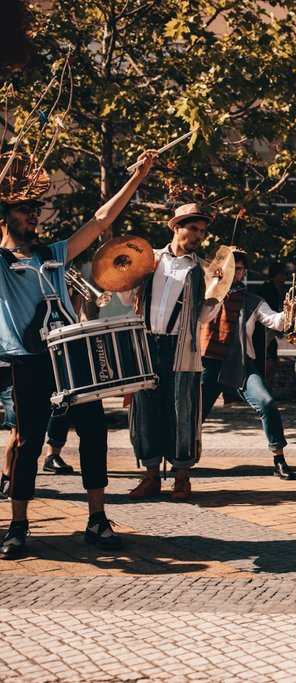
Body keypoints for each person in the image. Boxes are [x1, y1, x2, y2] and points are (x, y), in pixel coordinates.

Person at [0, 148, 159, 558]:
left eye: (37, 209)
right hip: (29, 361)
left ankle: (96, 518)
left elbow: (102, 220)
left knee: (93, 433)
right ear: (4, 217)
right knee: (28, 441)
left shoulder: (54, 254)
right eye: (25, 209)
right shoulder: (0, 262)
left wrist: (137, 177)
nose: (35, 215)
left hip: (73, 358)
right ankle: (18, 526)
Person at [123, 202, 223, 502]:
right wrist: (125, 275)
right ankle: (151, 476)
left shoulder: (203, 269)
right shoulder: (150, 259)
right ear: (175, 227)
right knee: (145, 410)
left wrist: (220, 290)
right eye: (193, 228)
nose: (198, 236)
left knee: (183, 412)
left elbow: (204, 317)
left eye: (202, 231)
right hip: (146, 345)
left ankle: (181, 478)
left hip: (181, 350)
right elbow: (128, 297)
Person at [198, 248, 296, 481]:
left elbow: (276, 321)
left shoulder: (252, 300)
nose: (237, 273)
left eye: (241, 268)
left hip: (240, 364)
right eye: (233, 268)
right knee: (193, 413)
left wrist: (294, 313)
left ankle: (279, 459)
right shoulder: (204, 295)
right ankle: (182, 459)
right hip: (207, 362)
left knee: (267, 402)